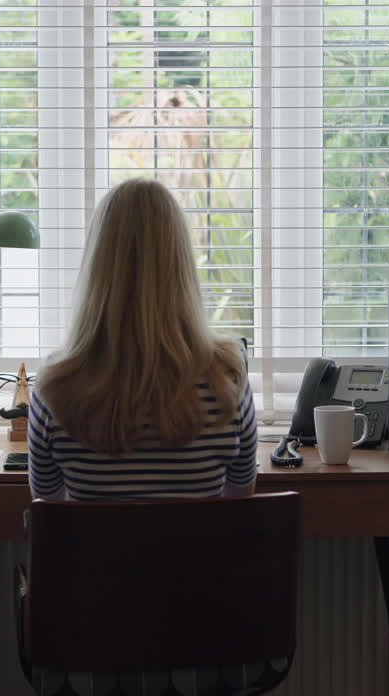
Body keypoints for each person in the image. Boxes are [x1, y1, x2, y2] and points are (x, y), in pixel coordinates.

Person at [27, 178, 257, 500]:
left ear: (97, 265)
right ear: (181, 263)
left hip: (95, 553)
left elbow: (49, 505)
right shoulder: (228, 377)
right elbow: (239, 498)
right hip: (202, 553)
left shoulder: (55, 386)